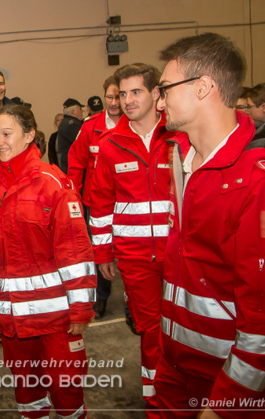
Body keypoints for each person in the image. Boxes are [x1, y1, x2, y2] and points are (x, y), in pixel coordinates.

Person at [155, 32, 265, 418]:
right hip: (173, 370)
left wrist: (224, 407)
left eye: (165, 88)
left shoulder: (260, 183)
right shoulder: (181, 160)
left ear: (204, 87)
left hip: (225, 387)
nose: (159, 100)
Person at [0, 104, 96, 419]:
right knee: (28, 394)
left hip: (56, 319)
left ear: (29, 135)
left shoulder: (52, 183)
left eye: (7, 134)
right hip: (12, 321)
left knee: (66, 390)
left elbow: (75, 251)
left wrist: (81, 308)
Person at [89, 63, 177, 416]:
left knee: (184, 326)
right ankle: (156, 400)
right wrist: (103, 251)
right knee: (150, 330)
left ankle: (188, 393)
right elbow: (100, 203)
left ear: (157, 94)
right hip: (135, 257)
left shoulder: (178, 138)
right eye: (122, 93)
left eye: (135, 92)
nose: (127, 100)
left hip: (179, 254)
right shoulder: (109, 145)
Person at [67, 75, 122, 319]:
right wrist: (73, 197)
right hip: (95, 203)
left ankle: (134, 301)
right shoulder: (90, 127)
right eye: (109, 97)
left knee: (129, 252)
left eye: (118, 97)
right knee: (98, 252)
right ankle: (100, 298)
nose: (113, 102)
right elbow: (76, 163)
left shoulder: (135, 126)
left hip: (127, 201)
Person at [56, 98, 85, 173]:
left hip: (66, 165)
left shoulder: (65, 122)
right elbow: (82, 144)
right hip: (72, 167)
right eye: (80, 109)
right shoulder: (72, 125)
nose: (82, 111)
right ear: (73, 111)